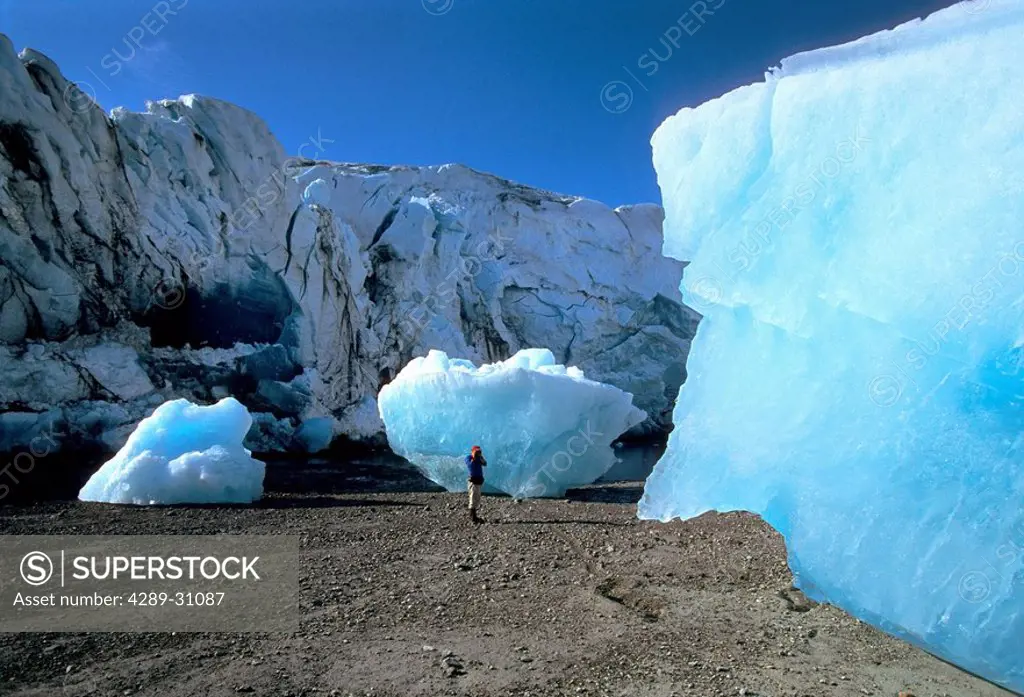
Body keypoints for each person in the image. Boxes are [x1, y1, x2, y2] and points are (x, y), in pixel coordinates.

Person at [465, 445, 487, 524]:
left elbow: (485, 463)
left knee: (477, 498)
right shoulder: (468, 458)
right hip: (473, 481)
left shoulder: (479, 459)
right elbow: (470, 466)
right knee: (473, 498)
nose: (478, 453)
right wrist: (474, 457)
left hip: (478, 481)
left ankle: (474, 516)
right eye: (477, 451)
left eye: (479, 451)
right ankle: (473, 518)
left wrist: (480, 457)